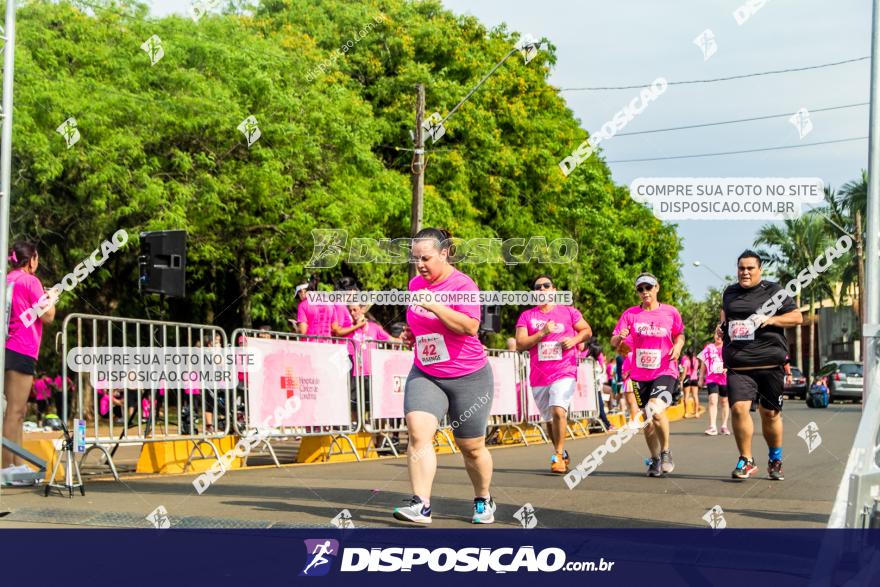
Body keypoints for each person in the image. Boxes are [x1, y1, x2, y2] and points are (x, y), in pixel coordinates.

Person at [393, 228, 495, 525]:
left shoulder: (463, 285)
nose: (420, 265)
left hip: (468, 375)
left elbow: (470, 327)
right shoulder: (415, 284)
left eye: (426, 258)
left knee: (472, 448)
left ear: (444, 253)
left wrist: (434, 306)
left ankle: (483, 499)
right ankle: (421, 504)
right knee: (418, 432)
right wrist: (414, 333)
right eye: (415, 259)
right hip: (426, 372)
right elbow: (419, 320)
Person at [718, 250, 802, 481]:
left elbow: (797, 317)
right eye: (741, 268)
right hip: (739, 365)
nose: (745, 272)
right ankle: (746, 459)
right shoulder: (730, 292)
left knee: (770, 413)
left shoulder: (774, 291)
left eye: (749, 268)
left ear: (759, 270)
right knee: (738, 409)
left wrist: (771, 319)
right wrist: (722, 328)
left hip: (769, 364)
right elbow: (727, 318)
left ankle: (775, 459)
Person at [515, 275, 592, 474]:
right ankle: (561, 451)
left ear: (554, 290)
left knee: (558, 410)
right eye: (538, 287)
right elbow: (520, 344)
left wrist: (574, 341)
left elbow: (587, 331)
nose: (542, 289)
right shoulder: (527, 316)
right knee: (549, 419)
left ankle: (557, 455)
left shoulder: (569, 312)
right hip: (539, 375)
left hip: (564, 370)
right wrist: (542, 333)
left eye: (546, 286)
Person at [611, 272, 684, 477]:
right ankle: (655, 459)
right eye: (640, 289)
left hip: (665, 369)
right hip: (639, 374)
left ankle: (666, 451)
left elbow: (680, 334)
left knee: (655, 408)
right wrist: (620, 339)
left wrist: (678, 346)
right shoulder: (630, 314)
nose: (645, 292)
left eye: (648, 288)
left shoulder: (670, 312)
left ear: (656, 288)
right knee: (646, 418)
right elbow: (617, 345)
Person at [2, 242, 56, 478]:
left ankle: (16, 462)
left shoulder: (8, 279)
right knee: (15, 411)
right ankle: (6, 466)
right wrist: (51, 297)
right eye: (37, 258)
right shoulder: (30, 281)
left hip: (8, 347)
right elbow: (48, 316)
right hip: (21, 347)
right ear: (31, 259)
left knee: (18, 410)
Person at [699, 332, 730, 435]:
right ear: (713, 335)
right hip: (712, 378)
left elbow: (733, 361)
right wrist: (700, 377)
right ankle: (712, 426)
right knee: (712, 400)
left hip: (725, 378)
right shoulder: (709, 347)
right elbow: (704, 363)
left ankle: (724, 426)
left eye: (721, 335)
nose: (718, 337)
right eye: (717, 334)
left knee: (724, 401)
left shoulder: (728, 347)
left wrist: (728, 368)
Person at [679, 349, 700, 418]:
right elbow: (696, 370)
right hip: (694, 379)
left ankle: (686, 413)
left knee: (686, 396)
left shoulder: (686, 361)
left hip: (687, 379)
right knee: (695, 396)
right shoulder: (696, 361)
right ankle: (696, 413)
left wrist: (681, 380)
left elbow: (684, 372)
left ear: (686, 353)